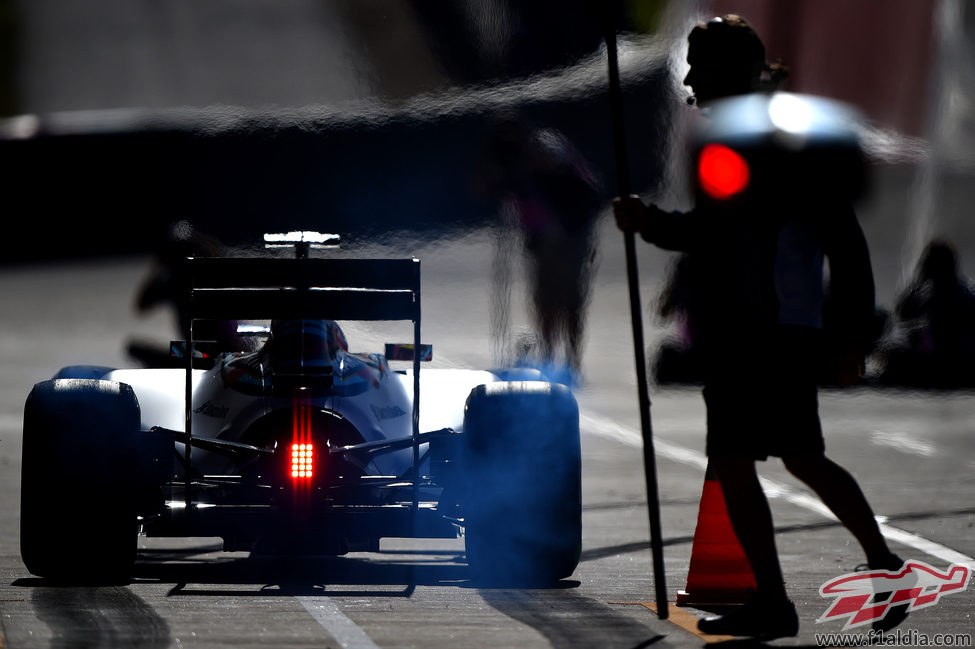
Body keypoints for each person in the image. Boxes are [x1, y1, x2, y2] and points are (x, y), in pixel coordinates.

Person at [614, 15, 904, 639]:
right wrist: (651, 222)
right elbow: (715, 232)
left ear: (728, 69)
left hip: (769, 330)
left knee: (747, 458)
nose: (689, 77)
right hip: (755, 329)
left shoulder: (781, 138)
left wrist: (852, 334)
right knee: (792, 456)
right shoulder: (743, 135)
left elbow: (843, 241)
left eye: (700, 63)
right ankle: (875, 568)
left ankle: (789, 597)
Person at [477, 111, 602, 378]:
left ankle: (570, 360)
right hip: (545, 239)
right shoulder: (516, 162)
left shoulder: (544, 145)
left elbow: (560, 175)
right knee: (545, 299)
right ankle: (549, 357)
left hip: (570, 235)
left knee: (568, 299)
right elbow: (488, 188)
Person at [880, 239, 975, 387]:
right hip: (959, 358)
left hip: (953, 361)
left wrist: (917, 282)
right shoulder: (954, 290)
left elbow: (903, 314)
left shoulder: (946, 295)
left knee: (892, 354)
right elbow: (904, 314)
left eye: (926, 263)